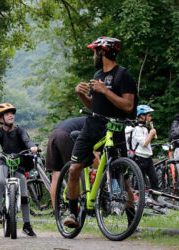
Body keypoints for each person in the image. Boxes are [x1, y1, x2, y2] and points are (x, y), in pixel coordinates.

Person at [65, 36, 138, 228]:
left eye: (94, 52)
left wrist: (105, 91)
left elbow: (129, 106)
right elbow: (94, 106)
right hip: (91, 126)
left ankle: (132, 223)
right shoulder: (97, 75)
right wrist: (82, 95)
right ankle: (73, 214)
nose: (93, 57)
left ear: (102, 52)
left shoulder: (123, 75)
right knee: (74, 169)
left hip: (115, 129)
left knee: (124, 179)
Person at [0, 103, 37, 237]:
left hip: (19, 163)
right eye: (7, 114)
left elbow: (27, 141)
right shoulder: (0, 132)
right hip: (4, 161)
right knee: (1, 181)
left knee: (24, 195)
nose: (10, 115)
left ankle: (27, 225)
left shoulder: (20, 130)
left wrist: (32, 147)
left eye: (12, 113)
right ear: (0, 119)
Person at [46, 117, 86, 210]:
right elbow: (95, 152)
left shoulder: (82, 119)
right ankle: (77, 208)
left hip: (54, 134)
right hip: (66, 135)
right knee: (75, 172)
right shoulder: (93, 123)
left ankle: (56, 210)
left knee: (56, 175)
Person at [125, 105, 158, 190]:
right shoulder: (136, 128)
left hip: (147, 157)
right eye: (149, 115)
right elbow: (144, 143)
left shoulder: (144, 128)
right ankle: (138, 199)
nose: (150, 118)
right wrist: (151, 134)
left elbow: (149, 139)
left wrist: (152, 133)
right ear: (142, 116)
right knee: (140, 183)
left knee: (154, 180)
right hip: (139, 158)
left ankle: (155, 198)